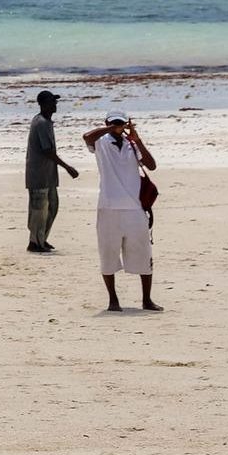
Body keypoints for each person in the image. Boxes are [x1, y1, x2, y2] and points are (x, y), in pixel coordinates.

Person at [83, 111, 161, 312]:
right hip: (108, 208)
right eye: (114, 122)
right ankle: (113, 301)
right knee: (108, 255)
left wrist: (137, 139)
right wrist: (111, 129)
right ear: (107, 123)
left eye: (121, 123)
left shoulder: (132, 145)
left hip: (134, 209)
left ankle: (147, 300)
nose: (118, 126)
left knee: (144, 255)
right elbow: (87, 137)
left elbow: (151, 165)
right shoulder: (101, 143)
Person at [25, 90, 79, 253]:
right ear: (42, 104)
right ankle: (35, 242)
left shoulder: (46, 122)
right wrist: (67, 167)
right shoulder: (40, 123)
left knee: (52, 207)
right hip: (38, 174)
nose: (54, 105)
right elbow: (47, 151)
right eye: (51, 102)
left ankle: (42, 239)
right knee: (38, 209)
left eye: (55, 102)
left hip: (48, 175)